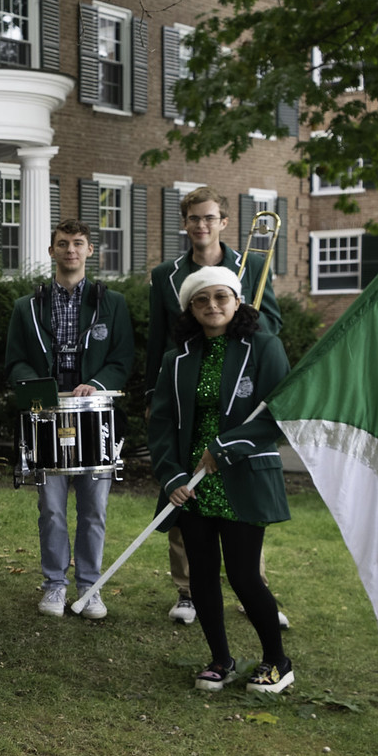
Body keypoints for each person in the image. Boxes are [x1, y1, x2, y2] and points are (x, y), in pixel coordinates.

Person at [148, 267, 295, 693]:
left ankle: (277, 662)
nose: (212, 306)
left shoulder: (264, 348)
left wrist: (227, 447)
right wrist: (172, 474)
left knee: (245, 575)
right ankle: (220, 659)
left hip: (242, 477)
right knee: (202, 576)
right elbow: (161, 424)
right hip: (191, 483)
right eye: (201, 299)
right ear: (190, 309)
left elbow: (278, 416)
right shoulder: (176, 359)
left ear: (237, 302)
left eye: (221, 297)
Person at [145, 186, 285, 625]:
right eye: (193, 219)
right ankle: (188, 590)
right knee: (187, 488)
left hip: (240, 385)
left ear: (224, 222)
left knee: (241, 493)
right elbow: (159, 339)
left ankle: (251, 586)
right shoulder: (166, 275)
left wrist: (244, 322)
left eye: (209, 218)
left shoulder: (254, 265)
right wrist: (155, 395)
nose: (201, 226)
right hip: (190, 382)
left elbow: (274, 323)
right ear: (184, 223)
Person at [2, 220, 136, 620]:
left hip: (95, 415)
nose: (71, 250)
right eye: (63, 244)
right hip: (48, 415)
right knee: (53, 509)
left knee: (94, 508)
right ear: (51, 251)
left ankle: (90, 587)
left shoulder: (112, 303)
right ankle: (55, 584)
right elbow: (15, 362)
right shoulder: (27, 306)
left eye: (78, 244)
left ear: (90, 251)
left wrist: (95, 384)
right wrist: (41, 387)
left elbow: (122, 360)